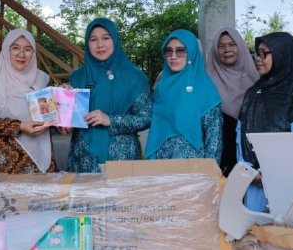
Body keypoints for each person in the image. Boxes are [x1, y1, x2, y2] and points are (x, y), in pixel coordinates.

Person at [238, 32, 293, 212]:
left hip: (289, 181)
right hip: (254, 181)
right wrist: (248, 171)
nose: (258, 58)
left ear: (282, 55)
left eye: (264, 54)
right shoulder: (254, 92)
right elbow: (240, 134)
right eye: (257, 53)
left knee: (284, 228)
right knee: (253, 226)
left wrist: (271, 174)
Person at [66, 18, 151, 173]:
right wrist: (62, 105)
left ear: (115, 40)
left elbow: (146, 118)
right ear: (87, 43)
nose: (100, 45)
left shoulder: (135, 77)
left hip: (121, 160)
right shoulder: (77, 77)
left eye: (105, 38)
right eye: (93, 39)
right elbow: (71, 120)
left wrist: (110, 120)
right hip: (83, 159)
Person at [0, 29, 56, 174]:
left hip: (38, 165)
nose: (21, 54)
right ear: (7, 50)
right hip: (2, 164)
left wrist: (66, 98)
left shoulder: (42, 81)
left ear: (33, 53)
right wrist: (19, 126)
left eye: (27, 49)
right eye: (15, 48)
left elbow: (51, 117)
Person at [144, 29, 223, 161]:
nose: (173, 56)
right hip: (160, 164)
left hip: (193, 167)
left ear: (191, 52)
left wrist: (210, 170)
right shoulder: (161, 88)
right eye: (168, 51)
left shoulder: (205, 89)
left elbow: (214, 140)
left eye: (180, 51)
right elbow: (155, 130)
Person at [205, 27, 258, 175]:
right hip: (219, 158)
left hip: (251, 158)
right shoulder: (205, 83)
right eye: (221, 46)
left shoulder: (256, 79)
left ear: (240, 46)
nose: (227, 50)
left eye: (232, 44)